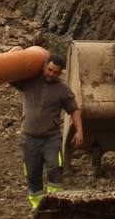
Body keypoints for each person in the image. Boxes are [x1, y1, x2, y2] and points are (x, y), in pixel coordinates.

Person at [12, 55, 84, 210]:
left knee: (55, 169)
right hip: (29, 138)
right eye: (49, 70)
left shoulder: (63, 90)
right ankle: (37, 208)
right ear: (44, 66)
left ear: (60, 73)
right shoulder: (29, 81)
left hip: (51, 138)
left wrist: (79, 131)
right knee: (32, 174)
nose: (51, 74)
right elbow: (10, 75)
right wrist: (13, 54)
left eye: (55, 72)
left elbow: (74, 109)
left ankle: (55, 205)